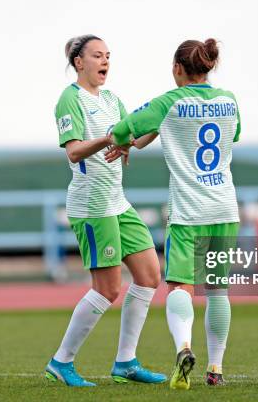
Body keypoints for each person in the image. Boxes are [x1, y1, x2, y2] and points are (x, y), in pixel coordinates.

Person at [110, 38, 241, 389]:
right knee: (217, 290)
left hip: (189, 211)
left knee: (180, 286)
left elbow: (122, 130)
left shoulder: (169, 102)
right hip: (225, 208)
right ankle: (216, 369)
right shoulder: (229, 101)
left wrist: (126, 140)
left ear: (177, 69)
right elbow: (234, 135)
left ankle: (184, 347)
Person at [45, 35, 166, 387]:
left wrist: (158, 122)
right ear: (79, 62)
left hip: (117, 202)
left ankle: (126, 362)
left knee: (149, 275)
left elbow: (133, 139)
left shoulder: (112, 100)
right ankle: (61, 362)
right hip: (92, 206)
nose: (105, 62)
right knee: (108, 288)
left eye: (108, 56)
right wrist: (109, 138)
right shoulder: (70, 99)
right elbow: (73, 151)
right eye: (98, 55)